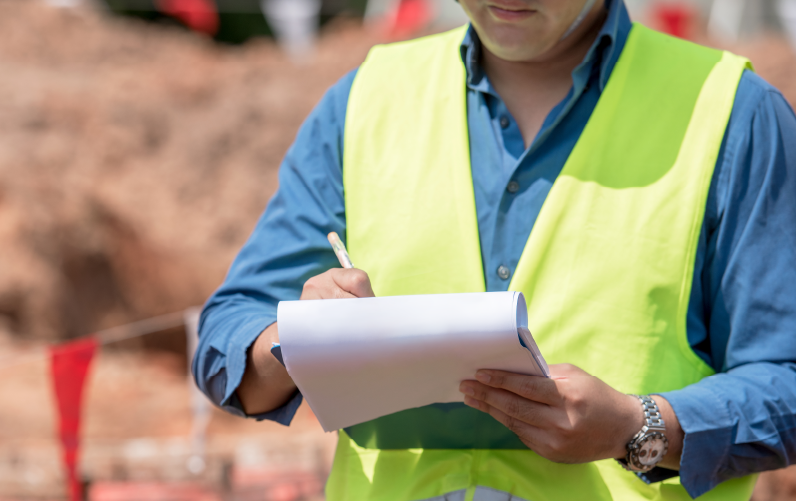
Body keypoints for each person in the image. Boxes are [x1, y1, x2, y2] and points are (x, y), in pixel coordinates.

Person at [192, 0, 796, 499]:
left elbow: (785, 379)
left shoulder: (734, 116)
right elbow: (229, 333)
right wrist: (301, 340)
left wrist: (639, 428)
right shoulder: (363, 102)